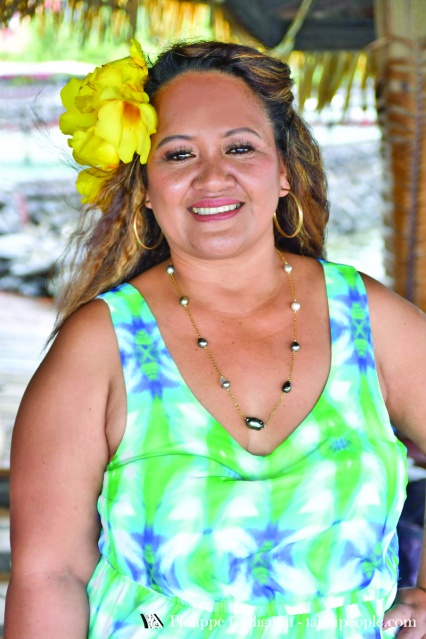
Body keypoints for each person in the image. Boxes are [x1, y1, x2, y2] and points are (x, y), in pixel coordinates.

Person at [4, 39, 426, 639]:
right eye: (179, 154)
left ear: (283, 171)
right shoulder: (100, 347)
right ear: (146, 188)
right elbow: (52, 575)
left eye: (240, 147)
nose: (212, 176)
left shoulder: (368, 321)